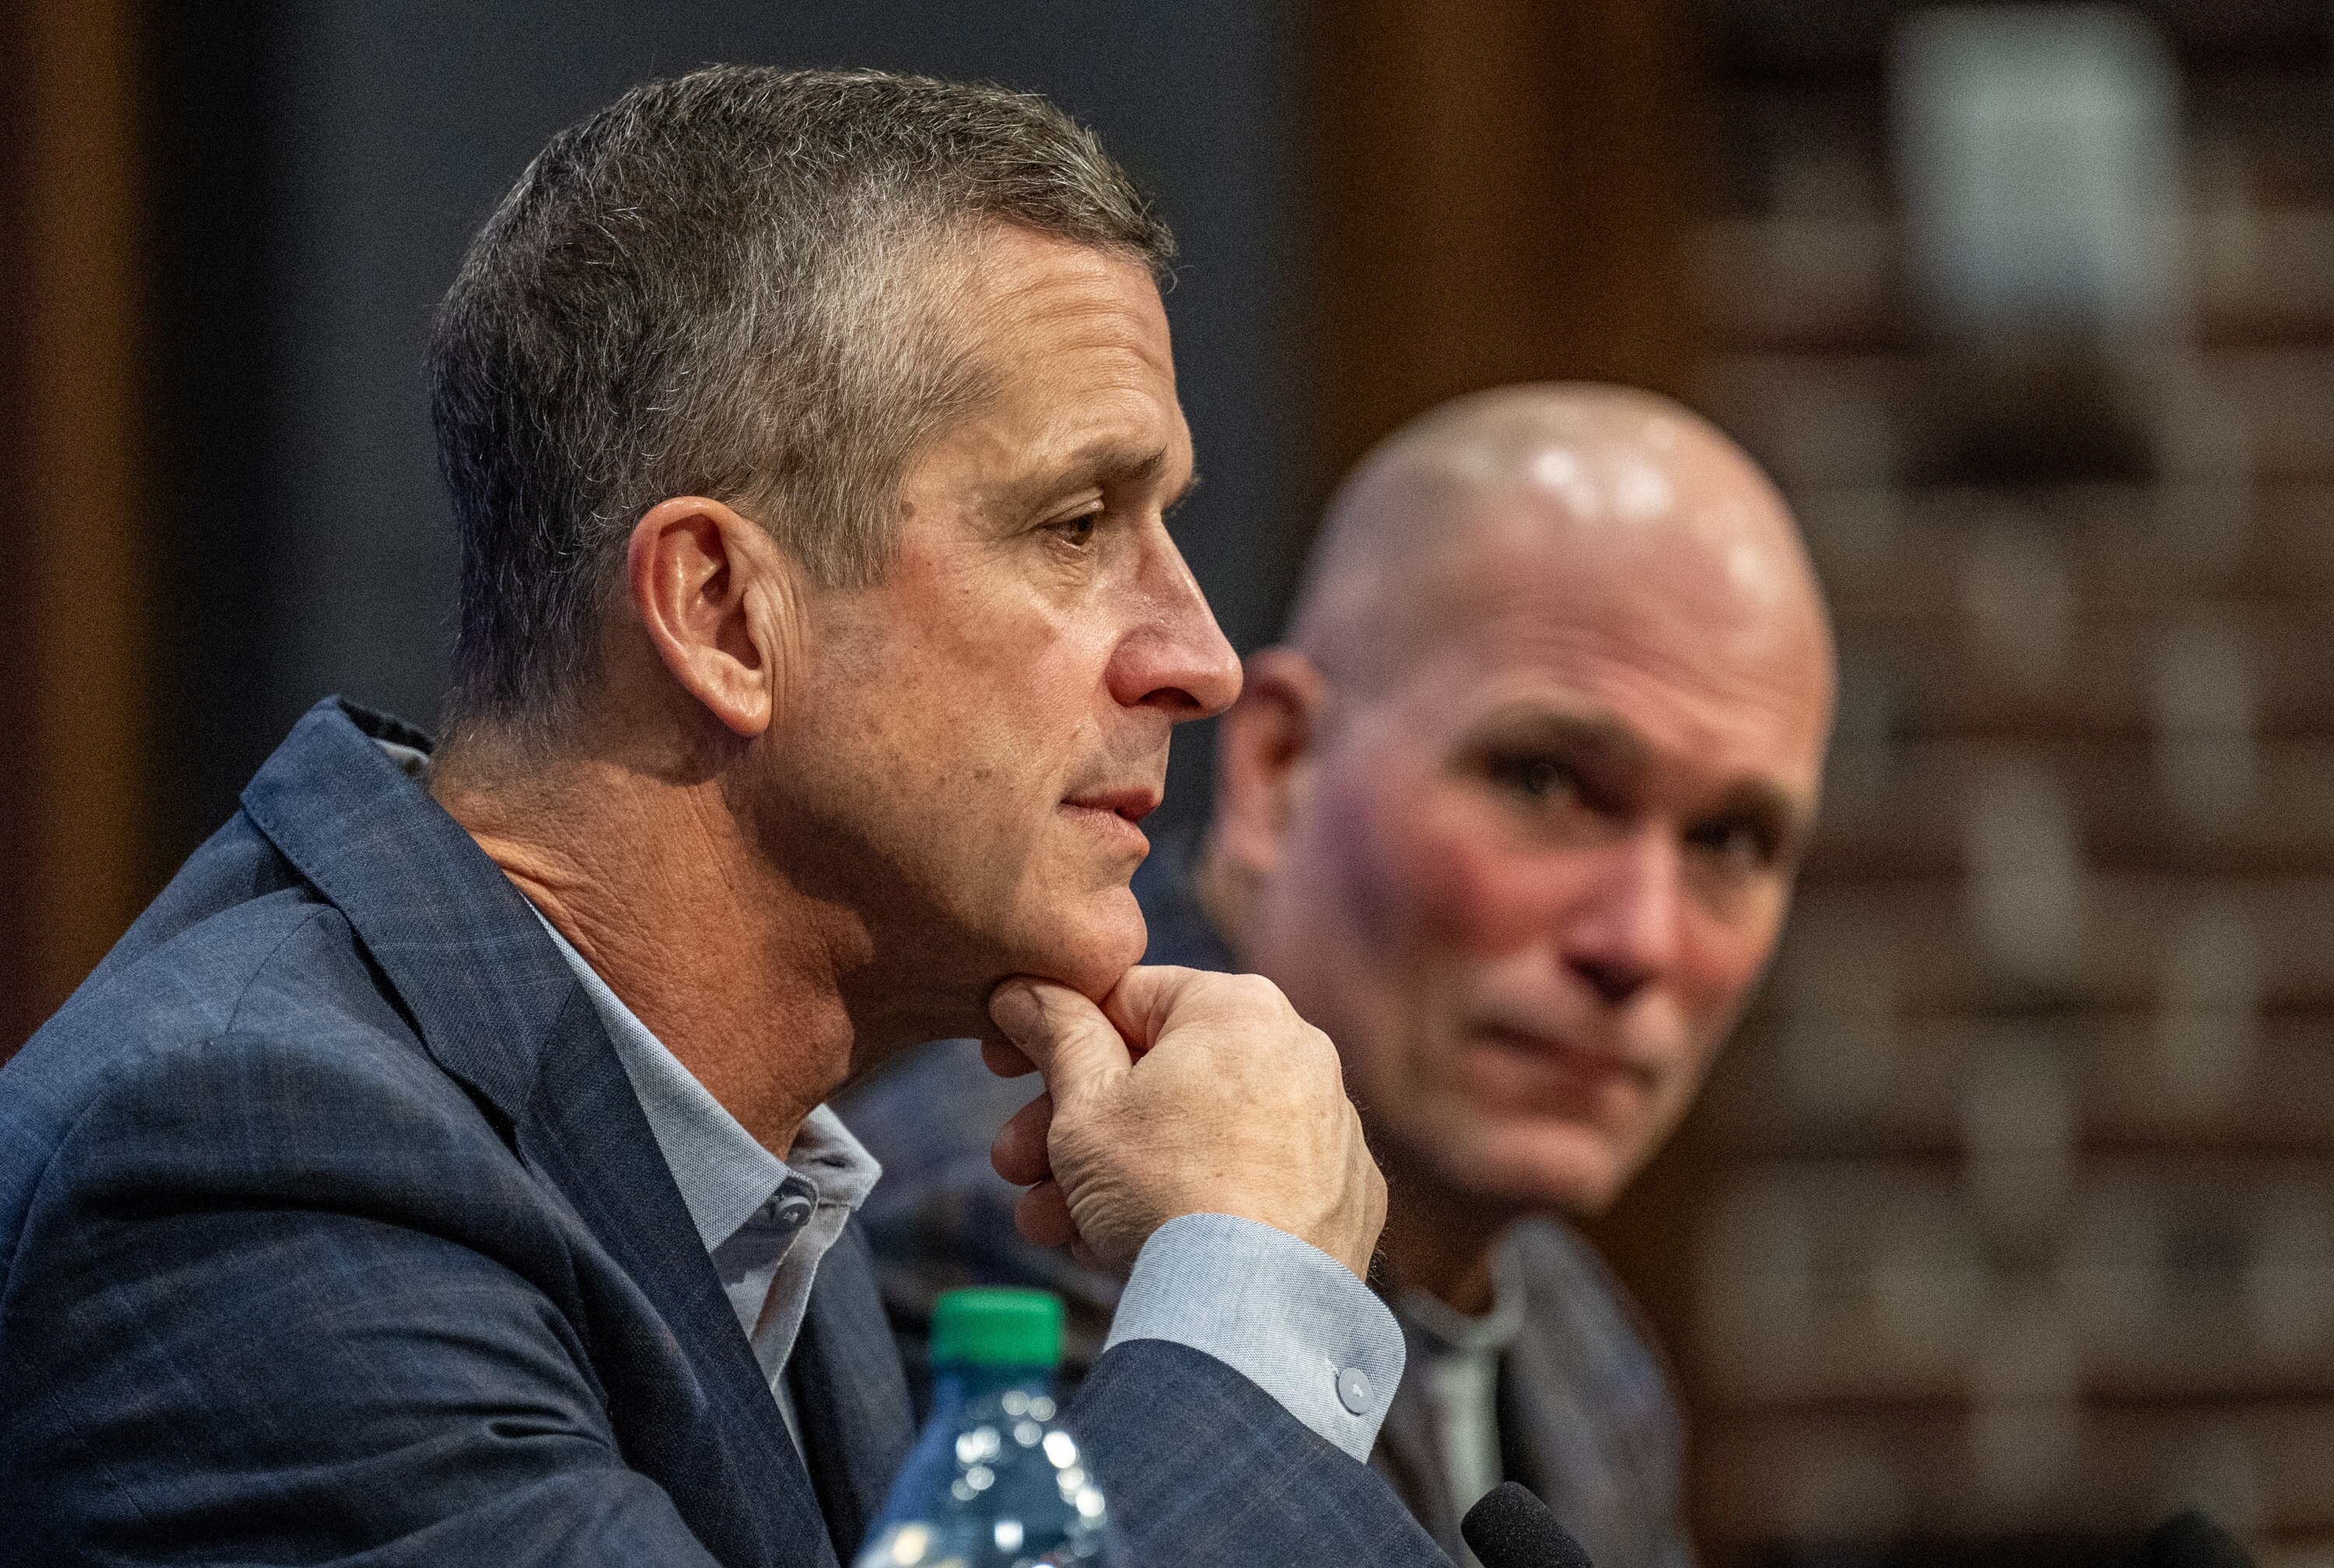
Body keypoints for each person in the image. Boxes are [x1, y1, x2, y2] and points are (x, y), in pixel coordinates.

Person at [0, 67, 1449, 1568]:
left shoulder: (749, 1177)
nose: (1200, 657)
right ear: (723, 616)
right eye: (1077, 525)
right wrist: (1248, 1307)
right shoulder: (257, 1171)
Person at [846, 384, 1838, 1568]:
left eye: (1731, 843)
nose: (1640, 941)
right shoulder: (1018, 1219)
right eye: (1543, 783)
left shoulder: (1588, 1349)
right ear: (1277, 764)